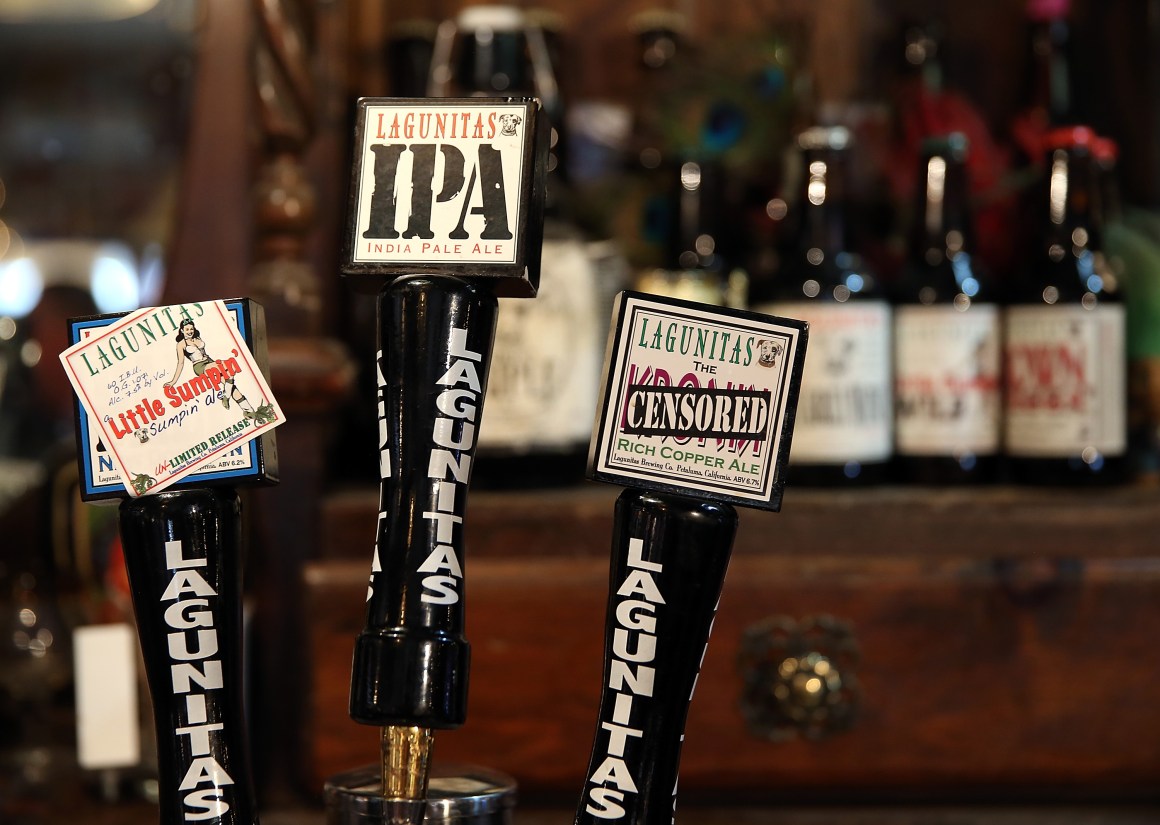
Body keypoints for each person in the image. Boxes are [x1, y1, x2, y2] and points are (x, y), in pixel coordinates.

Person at [164, 318, 256, 417]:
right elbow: (180, 363)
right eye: (187, 329)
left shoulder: (197, 338)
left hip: (210, 361)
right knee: (229, 365)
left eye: (191, 329)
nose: (190, 331)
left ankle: (249, 410)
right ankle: (226, 396)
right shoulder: (181, 344)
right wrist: (173, 382)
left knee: (230, 384)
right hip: (199, 366)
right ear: (182, 330)